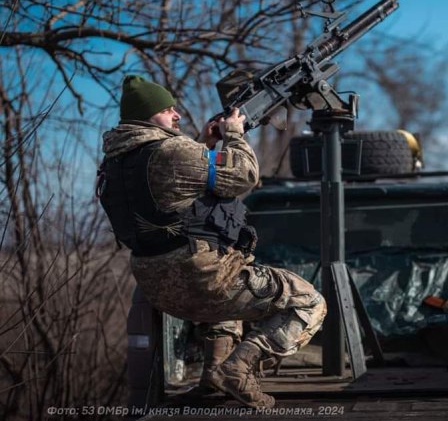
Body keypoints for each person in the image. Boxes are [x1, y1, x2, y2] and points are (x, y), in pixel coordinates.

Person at [96, 75, 326, 408]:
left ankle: (212, 379)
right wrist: (233, 132)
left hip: (158, 288)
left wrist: (202, 143)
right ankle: (239, 367)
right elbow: (245, 175)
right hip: (203, 277)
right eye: (167, 109)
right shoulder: (172, 150)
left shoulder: (114, 163)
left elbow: (169, 188)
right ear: (147, 116)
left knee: (226, 300)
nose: (176, 115)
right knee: (310, 302)